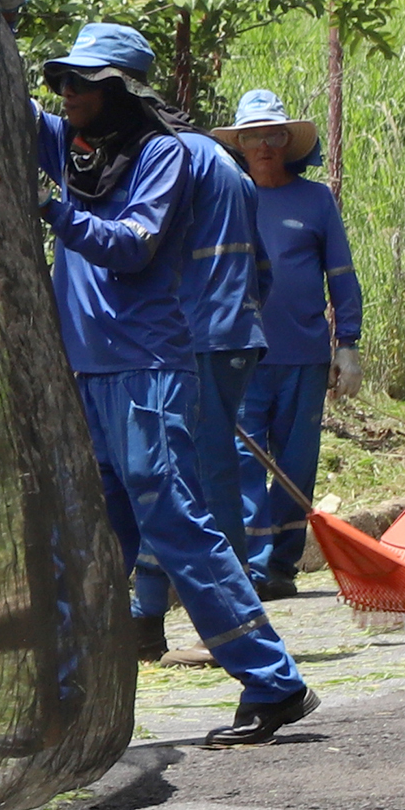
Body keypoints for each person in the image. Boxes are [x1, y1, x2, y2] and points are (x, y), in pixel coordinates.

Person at [27, 23, 316, 749]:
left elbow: (132, 246)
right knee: (87, 544)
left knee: (179, 528)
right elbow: (8, 106)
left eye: (83, 83)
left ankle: (274, 682)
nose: (68, 95)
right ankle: (66, 706)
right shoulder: (77, 150)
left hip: (147, 373)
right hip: (90, 373)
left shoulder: (160, 157)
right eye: (62, 82)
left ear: (121, 90)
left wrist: (55, 211)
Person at [128, 120, 270, 654]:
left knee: (190, 478)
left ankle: (232, 628)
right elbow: (263, 268)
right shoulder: (227, 168)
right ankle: (150, 619)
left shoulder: (169, 159)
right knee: (190, 473)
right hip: (228, 335)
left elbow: (142, 251)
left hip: (193, 336)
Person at [214, 90, 363, 600]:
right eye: (251, 136)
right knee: (243, 460)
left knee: (296, 463)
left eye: (272, 135)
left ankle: (282, 562)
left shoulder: (315, 200)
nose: (262, 145)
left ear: (287, 141)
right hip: (239, 354)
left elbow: (341, 273)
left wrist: (349, 343)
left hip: (303, 353)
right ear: (238, 144)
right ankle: (253, 568)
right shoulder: (225, 194)